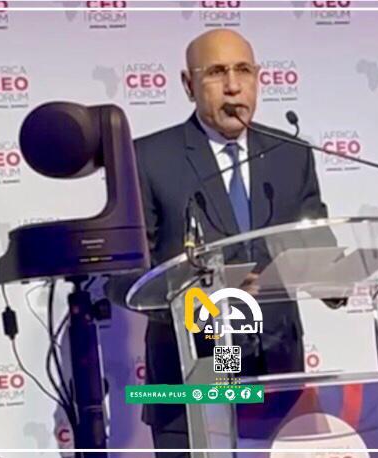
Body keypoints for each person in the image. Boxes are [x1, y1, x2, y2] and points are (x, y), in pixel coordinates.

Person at [126, 28, 329, 456]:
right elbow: (125, 278)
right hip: (192, 379)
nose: (233, 86)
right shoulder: (149, 159)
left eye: (243, 71)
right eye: (217, 72)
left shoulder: (290, 154)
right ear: (189, 85)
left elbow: (317, 244)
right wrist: (201, 296)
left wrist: (336, 278)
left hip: (277, 378)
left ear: (258, 78)